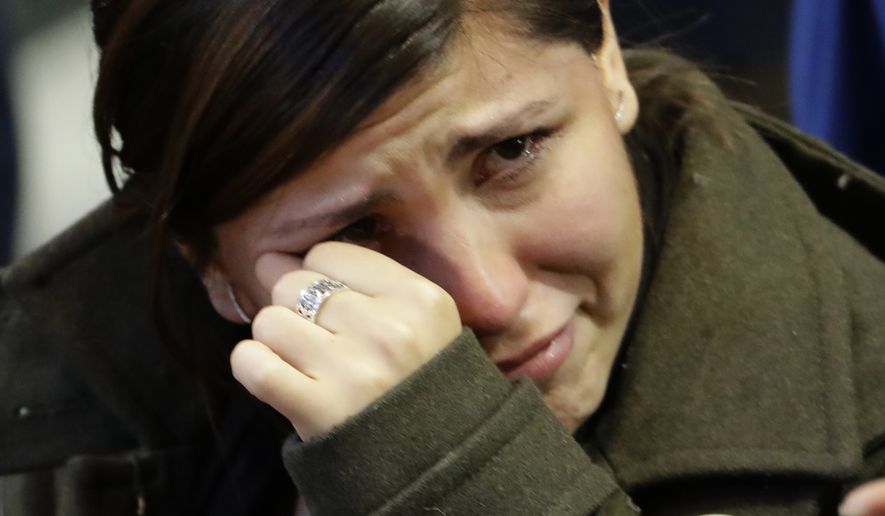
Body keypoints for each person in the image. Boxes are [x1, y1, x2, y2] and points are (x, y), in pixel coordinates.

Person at [1, 1, 883, 514]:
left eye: (513, 152)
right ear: (213, 268)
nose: (489, 297)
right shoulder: (56, 448)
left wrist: (441, 468)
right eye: (352, 236)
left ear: (605, 56)